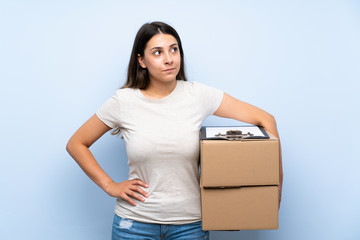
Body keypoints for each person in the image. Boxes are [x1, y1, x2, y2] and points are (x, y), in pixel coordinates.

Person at [66, 21, 283, 240]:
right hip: (134, 223)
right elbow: (76, 144)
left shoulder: (198, 95)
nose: (169, 59)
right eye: (157, 52)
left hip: (190, 225)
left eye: (174, 49)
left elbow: (266, 119)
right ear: (141, 60)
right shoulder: (123, 101)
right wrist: (110, 186)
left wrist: (275, 186)